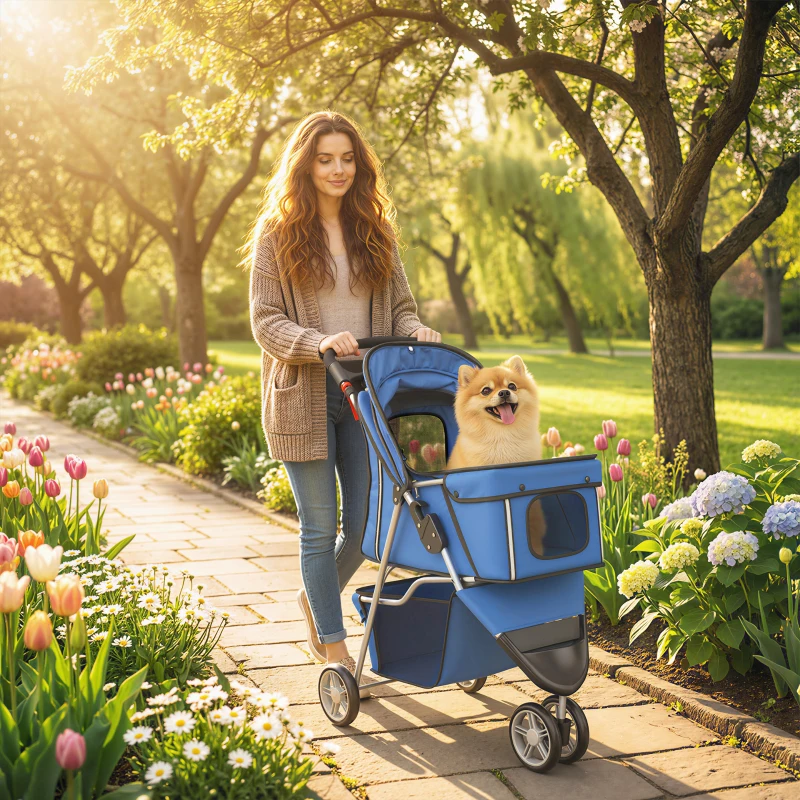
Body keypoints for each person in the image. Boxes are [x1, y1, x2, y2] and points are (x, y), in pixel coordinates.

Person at [247, 111, 441, 673]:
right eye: (325, 158)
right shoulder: (277, 234)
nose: (338, 169)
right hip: (303, 394)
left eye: (348, 158)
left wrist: (416, 331)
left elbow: (401, 310)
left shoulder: (374, 231)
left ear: (360, 164)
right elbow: (264, 320)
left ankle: (316, 596)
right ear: (305, 165)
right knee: (318, 525)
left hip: (365, 395)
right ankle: (334, 648)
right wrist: (316, 341)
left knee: (364, 527)